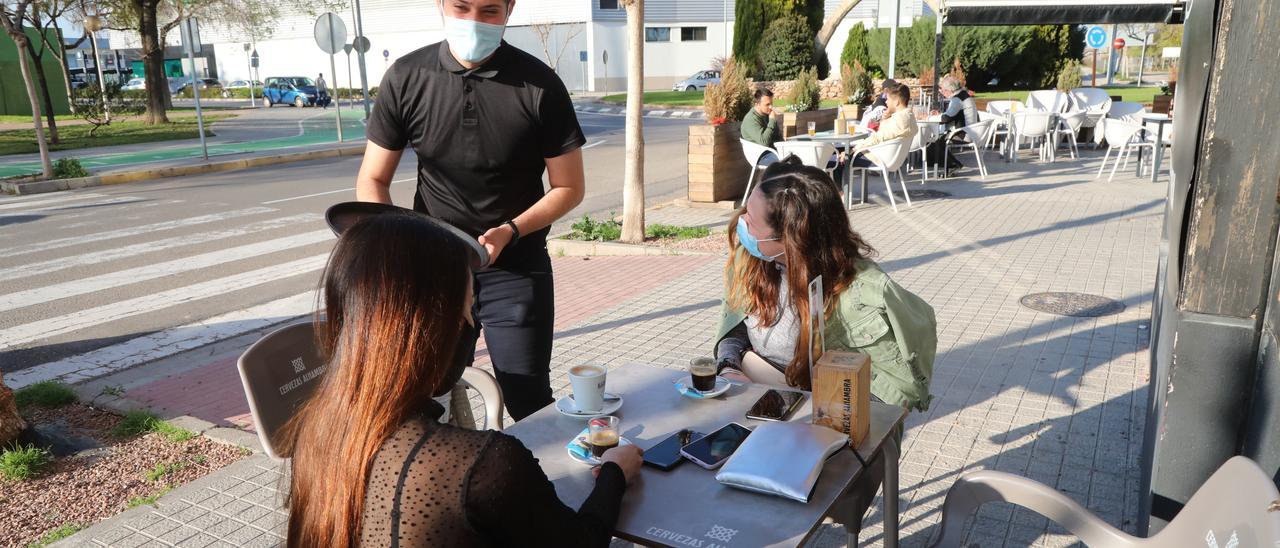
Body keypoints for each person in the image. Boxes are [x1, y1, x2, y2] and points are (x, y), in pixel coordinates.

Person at [282, 213, 644, 547]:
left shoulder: (316, 432)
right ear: (432, 329)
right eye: (468, 309)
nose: (472, 327)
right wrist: (614, 472)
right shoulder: (481, 465)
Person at [355, 0, 587, 421]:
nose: (474, 21)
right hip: (434, 268)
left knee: (527, 398)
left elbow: (569, 187)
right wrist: (393, 252)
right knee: (423, 394)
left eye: (489, 11)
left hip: (515, 268)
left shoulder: (540, 84)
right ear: (441, 5)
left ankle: (546, 485)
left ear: (509, 10)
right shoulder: (407, 77)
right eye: (461, 7)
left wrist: (510, 231)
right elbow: (373, 180)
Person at [712, 156, 936, 412]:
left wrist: (822, 415)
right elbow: (736, 326)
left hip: (822, 415)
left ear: (791, 237)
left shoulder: (862, 295)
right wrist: (729, 368)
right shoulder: (752, 260)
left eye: (750, 221)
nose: (741, 223)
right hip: (759, 392)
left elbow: (896, 398)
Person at [847, 82, 917, 169]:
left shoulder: (898, 120)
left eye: (888, 99)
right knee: (844, 155)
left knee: (840, 160)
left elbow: (877, 138)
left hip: (879, 160)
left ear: (896, 102)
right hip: (892, 159)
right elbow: (884, 134)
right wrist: (885, 120)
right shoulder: (909, 117)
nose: (886, 102)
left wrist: (852, 150)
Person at [927, 76, 977, 174]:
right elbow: (950, 115)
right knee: (938, 139)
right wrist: (940, 115)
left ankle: (952, 165)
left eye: (943, 90)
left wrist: (928, 118)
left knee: (935, 141)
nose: (942, 92)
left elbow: (946, 119)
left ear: (949, 90)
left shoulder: (957, 99)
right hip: (972, 131)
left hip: (964, 134)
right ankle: (949, 164)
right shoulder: (963, 95)